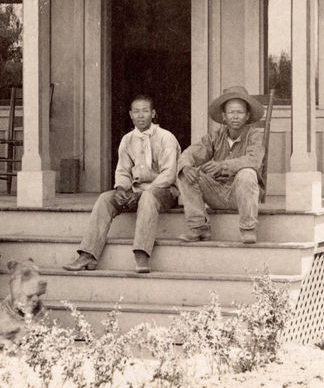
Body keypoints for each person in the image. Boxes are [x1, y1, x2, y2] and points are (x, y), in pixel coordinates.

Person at [63, 95, 180, 275]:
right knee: (105, 199)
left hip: (163, 191)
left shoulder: (166, 138)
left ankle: (142, 253)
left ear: (153, 114)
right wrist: (120, 189)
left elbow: (168, 175)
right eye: (136, 111)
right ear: (130, 115)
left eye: (145, 111)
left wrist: (141, 193)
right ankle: (88, 254)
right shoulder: (127, 139)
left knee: (148, 197)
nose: (140, 115)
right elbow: (123, 171)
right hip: (136, 191)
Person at [177, 86, 267, 245]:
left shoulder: (255, 135)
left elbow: (253, 160)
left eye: (240, 112)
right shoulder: (215, 136)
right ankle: (199, 227)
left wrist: (222, 166)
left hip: (242, 194)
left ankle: (248, 228)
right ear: (224, 116)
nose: (235, 117)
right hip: (217, 192)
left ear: (247, 116)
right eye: (231, 112)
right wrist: (186, 166)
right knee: (186, 173)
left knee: (247, 173)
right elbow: (191, 152)